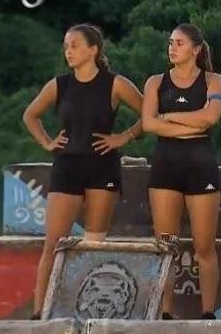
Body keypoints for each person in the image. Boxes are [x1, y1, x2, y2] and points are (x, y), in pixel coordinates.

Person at [22, 23, 143, 319]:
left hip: (102, 168)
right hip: (67, 167)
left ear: (93, 49)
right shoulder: (59, 85)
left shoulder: (115, 84)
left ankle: (89, 314)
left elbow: (148, 114)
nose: (68, 51)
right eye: (66, 46)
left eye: (74, 45)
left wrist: (123, 137)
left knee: (93, 244)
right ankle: (39, 314)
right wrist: (47, 142)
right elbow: (30, 115)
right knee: (54, 244)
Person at [142, 24, 221, 320]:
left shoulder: (214, 81)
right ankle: (165, 312)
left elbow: (210, 118)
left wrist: (168, 117)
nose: (172, 48)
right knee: (167, 245)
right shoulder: (156, 82)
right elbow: (148, 124)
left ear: (196, 49)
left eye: (179, 43)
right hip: (166, 166)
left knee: (204, 246)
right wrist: (190, 125)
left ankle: (208, 313)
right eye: (170, 43)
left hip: (200, 165)